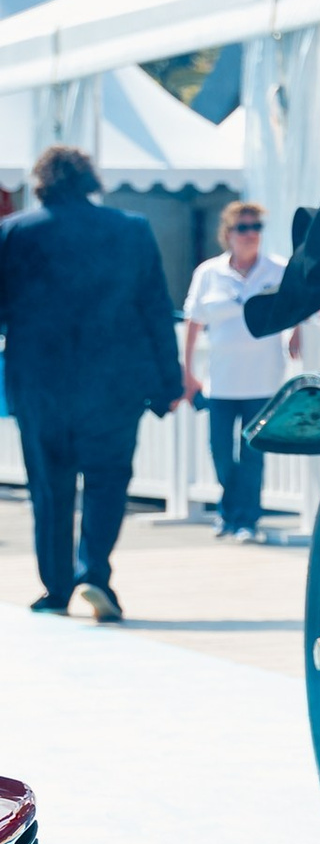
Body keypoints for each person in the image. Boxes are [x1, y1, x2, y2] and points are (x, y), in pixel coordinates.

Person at [0, 141, 184, 619]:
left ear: (41, 183)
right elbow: (155, 310)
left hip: (40, 384)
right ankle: (94, 574)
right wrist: (169, 382)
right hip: (115, 383)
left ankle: (57, 588)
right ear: (89, 181)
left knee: (49, 486)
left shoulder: (14, 233)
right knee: (107, 481)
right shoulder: (131, 229)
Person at [180, 200, 304, 538]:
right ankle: (228, 512)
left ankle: (246, 519)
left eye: (256, 228)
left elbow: (300, 305)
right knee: (220, 452)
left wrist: (297, 332)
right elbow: (193, 323)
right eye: (243, 228)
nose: (250, 235)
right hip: (221, 380)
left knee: (252, 452)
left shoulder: (278, 269)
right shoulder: (209, 273)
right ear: (228, 234)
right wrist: (187, 372)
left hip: (263, 379)